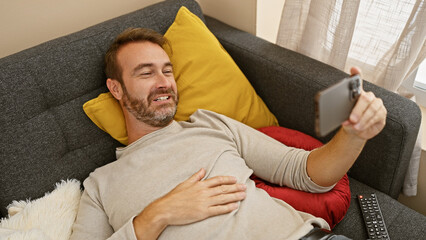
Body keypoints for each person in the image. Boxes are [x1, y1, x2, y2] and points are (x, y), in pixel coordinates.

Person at [70, 28, 387, 240]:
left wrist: (354, 135)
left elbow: (309, 174)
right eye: (146, 72)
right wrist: (158, 214)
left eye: (167, 70)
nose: (164, 81)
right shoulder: (100, 184)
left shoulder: (210, 124)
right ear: (116, 89)